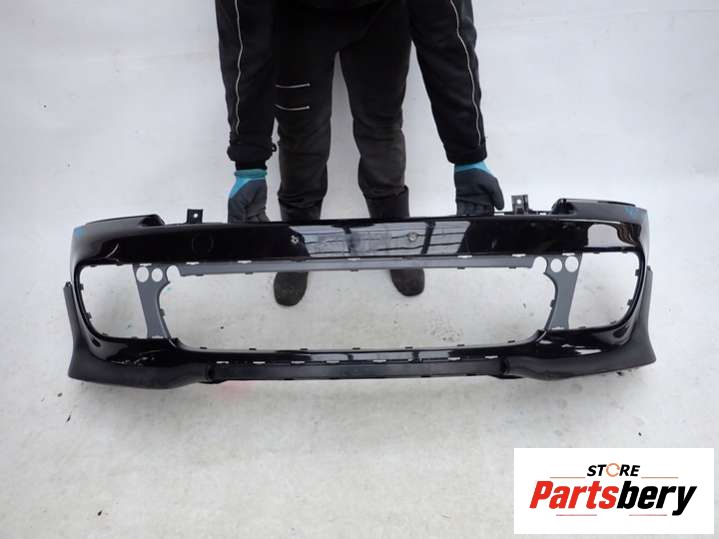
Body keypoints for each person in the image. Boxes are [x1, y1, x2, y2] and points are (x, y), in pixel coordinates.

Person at [215, 0, 504, 298]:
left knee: (382, 126)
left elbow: (447, 36)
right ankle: (297, 239)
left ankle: (393, 232)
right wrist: (249, 162)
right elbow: (244, 44)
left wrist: (469, 155)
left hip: (382, 13)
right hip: (296, 20)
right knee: (301, 136)